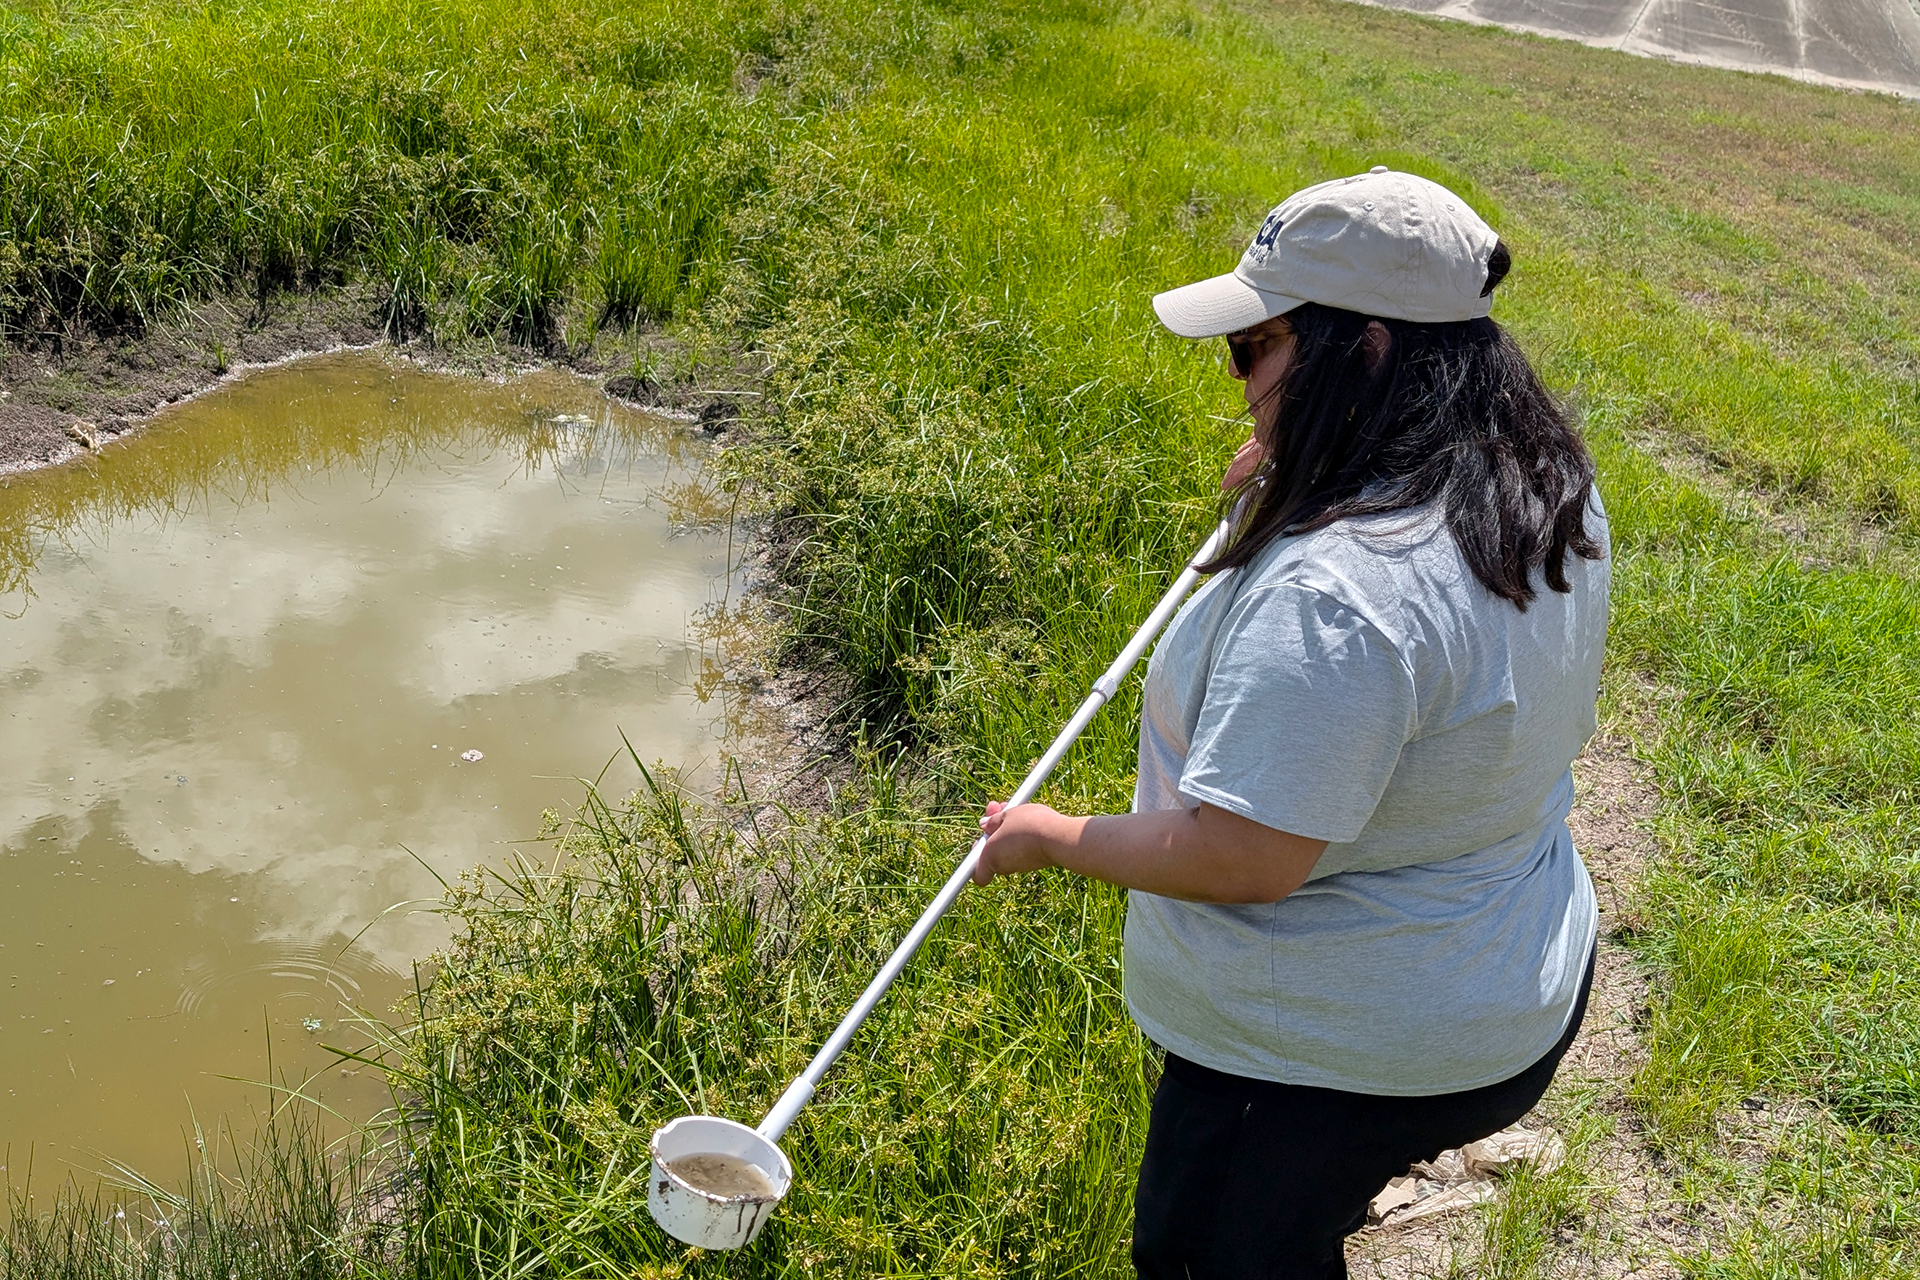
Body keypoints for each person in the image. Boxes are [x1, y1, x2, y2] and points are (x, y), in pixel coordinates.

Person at [974, 168, 1609, 1279]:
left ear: (1364, 358)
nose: (1240, 384)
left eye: (1254, 349)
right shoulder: (1544, 478)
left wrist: (1051, 836)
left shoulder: (1341, 594)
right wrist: (1309, 456)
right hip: (1515, 975)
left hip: (1324, 1060)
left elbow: (1245, 853)